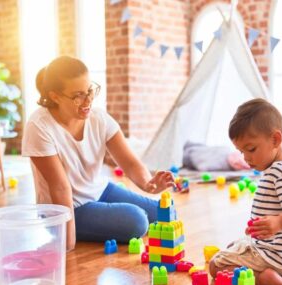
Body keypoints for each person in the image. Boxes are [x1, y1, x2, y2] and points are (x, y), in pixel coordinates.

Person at [22, 56, 174, 251]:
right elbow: (60, 187)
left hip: (99, 191)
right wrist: (66, 241)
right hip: (68, 209)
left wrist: (149, 184)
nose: (88, 101)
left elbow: (129, 162)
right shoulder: (39, 126)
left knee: (166, 214)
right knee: (137, 221)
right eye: (78, 95)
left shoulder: (99, 118)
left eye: (90, 91)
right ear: (55, 96)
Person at [209, 98, 282, 285]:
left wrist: (279, 223)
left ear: (275, 139)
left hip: (274, 258)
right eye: (241, 152)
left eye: (251, 149)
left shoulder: (279, 172)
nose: (246, 158)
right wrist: (262, 228)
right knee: (235, 244)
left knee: (216, 266)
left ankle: (265, 279)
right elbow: (277, 210)